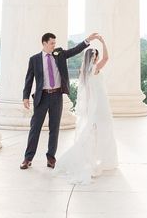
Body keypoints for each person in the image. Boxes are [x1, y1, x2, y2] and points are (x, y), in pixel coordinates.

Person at [20, 31, 99, 170]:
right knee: (35, 128)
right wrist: (25, 96)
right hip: (41, 97)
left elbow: (75, 51)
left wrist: (87, 40)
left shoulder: (59, 54)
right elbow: (29, 79)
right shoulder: (34, 59)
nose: (54, 45)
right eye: (51, 43)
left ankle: (51, 157)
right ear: (44, 43)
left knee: (54, 128)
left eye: (55, 43)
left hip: (57, 96)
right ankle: (28, 158)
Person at [55, 34, 118, 184]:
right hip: (100, 103)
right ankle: (102, 158)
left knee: (93, 131)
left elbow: (87, 92)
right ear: (93, 58)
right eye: (96, 56)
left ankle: (94, 156)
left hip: (93, 104)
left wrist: (89, 107)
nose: (97, 58)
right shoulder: (95, 69)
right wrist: (103, 42)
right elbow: (107, 58)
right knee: (104, 129)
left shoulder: (83, 71)